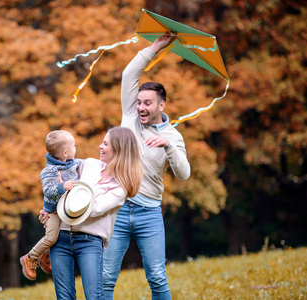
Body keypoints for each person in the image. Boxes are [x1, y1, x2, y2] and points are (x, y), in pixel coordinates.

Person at [102, 33, 191, 300]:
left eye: (147, 103)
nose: (141, 107)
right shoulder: (129, 116)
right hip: (117, 208)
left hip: (149, 213)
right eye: (139, 102)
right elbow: (129, 75)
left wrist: (168, 146)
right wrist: (153, 49)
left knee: (156, 276)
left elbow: (184, 174)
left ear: (161, 105)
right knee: (106, 276)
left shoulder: (173, 137)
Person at [39, 127, 143, 300]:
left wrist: (64, 200)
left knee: (94, 296)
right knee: (64, 297)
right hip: (61, 237)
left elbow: (90, 210)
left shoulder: (120, 189)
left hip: (89, 241)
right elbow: (60, 183)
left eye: (105, 144)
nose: (100, 147)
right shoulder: (89, 164)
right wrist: (49, 212)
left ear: (118, 149)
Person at [20, 130, 83, 281]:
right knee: (52, 237)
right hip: (54, 212)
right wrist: (62, 186)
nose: (76, 149)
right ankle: (30, 257)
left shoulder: (74, 163)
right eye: (74, 147)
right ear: (65, 152)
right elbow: (48, 192)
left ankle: (45, 257)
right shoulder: (48, 171)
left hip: (68, 209)